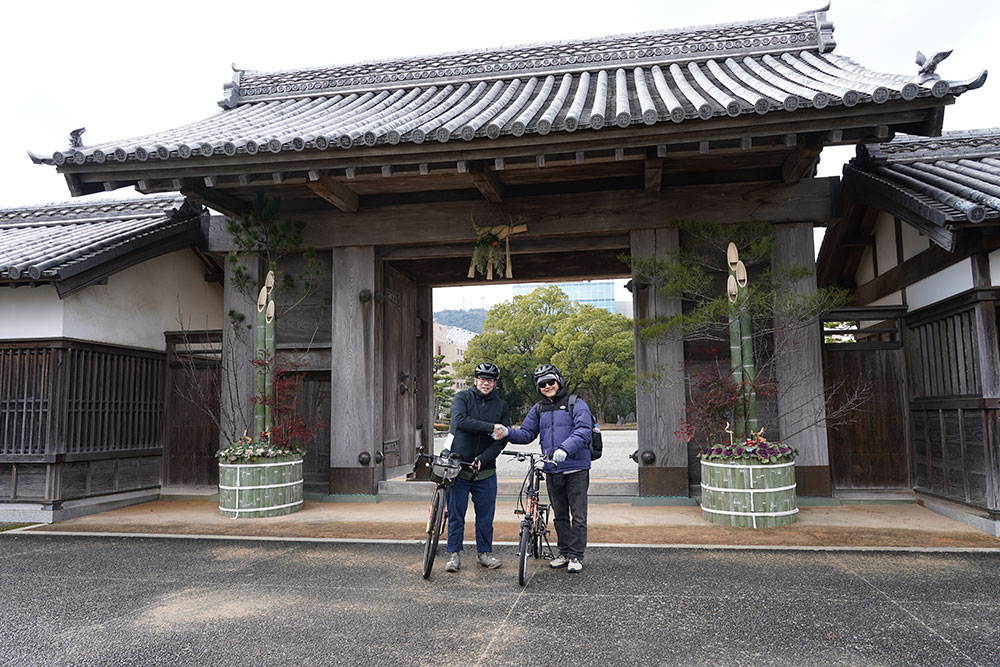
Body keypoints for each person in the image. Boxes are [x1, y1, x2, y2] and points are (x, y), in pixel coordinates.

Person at [503, 364, 592, 573]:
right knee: (560, 515)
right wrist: (505, 432)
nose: (547, 386)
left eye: (550, 381)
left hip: (576, 468)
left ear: (558, 381)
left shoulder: (575, 403)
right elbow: (526, 434)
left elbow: (584, 430)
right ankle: (564, 552)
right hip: (552, 468)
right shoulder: (539, 408)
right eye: (542, 384)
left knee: (578, 515)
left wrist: (565, 448)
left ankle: (576, 556)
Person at [444, 361, 510, 572]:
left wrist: (484, 457)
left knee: (485, 516)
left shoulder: (501, 406)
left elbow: (501, 440)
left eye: (490, 379)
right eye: (482, 378)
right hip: (459, 466)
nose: (485, 383)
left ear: (495, 383)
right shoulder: (462, 398)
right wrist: (491, 427)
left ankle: (484, 553)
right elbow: (460, 420)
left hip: (486, 468)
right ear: (475, 380)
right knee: (456, 513)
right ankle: (454, 554)